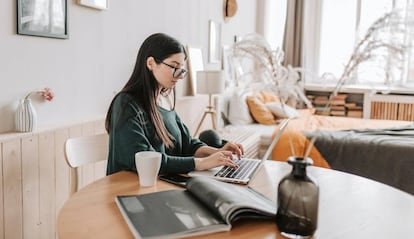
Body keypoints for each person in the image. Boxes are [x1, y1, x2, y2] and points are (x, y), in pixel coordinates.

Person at [105, 33, 243, 175]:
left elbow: (187, 144)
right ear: (151, 63)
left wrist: (219, 153)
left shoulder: (165, 100)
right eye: (174, 67)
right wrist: (201, 163)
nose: (179, 76)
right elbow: (146, 161)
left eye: (182, 70)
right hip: (130, 189)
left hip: (163, 183)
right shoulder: (126, 104)